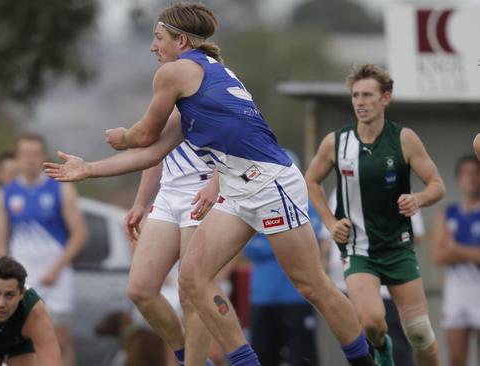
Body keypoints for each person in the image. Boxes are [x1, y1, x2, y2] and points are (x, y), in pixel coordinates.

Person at [44, 4, 378, 365]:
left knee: (312, 285)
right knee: (192, 280)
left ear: (181, 41)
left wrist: (123, 136)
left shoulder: (176, 73)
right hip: (235, 190)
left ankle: (366, 361)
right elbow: (154, 153)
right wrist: (88, 169)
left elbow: (143, 136)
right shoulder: (200, 78)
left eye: (158, 39)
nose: (153, 47)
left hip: (270, 183)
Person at [305, 63, 445, 366]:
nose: (360, 101)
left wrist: (418, 198)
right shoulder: (337, 142)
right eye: (355, 95)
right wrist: (329, 221)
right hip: (358, 248)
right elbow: (311, 181)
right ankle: (383, 349)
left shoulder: (404, 139)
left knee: (420, 334)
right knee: (371, 322)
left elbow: (437, 185)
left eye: (367, 95)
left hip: (398, 247)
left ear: (385, 98)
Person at [0, 133, 87, 366]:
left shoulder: (60, 189)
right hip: (21, 279)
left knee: (59, 341)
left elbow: (80, 234)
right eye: (25, 154)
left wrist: (57, 269)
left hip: (56, 278)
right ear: (18, 157)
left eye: (35, 154)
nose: (30, 159)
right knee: (17, 342)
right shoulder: (6, 193)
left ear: (42, 156)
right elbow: (0, 238)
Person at [124, 142, 219, 366]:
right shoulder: (163, 107)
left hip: (202, 191)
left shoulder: (213, 105)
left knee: (190, 295)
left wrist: (216, 184)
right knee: (140, 290)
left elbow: (234, 143)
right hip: (167, 193)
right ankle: (188, 357)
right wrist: (140, 202)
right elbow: (153, 151)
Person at [322, 189, 424, 366]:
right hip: (345, 286)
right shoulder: (338, 191)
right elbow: (327, 238)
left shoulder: (396, 186)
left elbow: (414, 234)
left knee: (396, 349)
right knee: (360, 353)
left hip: (384, 287)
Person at [243, 150, 321, 366]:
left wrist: (270, 237)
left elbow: (308, 243)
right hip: (262, 297)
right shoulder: (253, 204)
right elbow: (248, 248)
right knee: (263, 358)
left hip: (297, 297)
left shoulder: (305, 203)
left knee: (303, 359)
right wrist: (284, 240)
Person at [432, 154, 480, 366]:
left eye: (476, 173)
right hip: (456, 293)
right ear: (459, 179)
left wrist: (456, 249)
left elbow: (448, 250)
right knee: (456, 359)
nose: (472, 178)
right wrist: (472, 253)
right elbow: (437, 255)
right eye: (466, 173)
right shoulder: (447, 213)